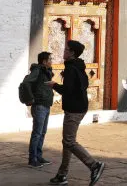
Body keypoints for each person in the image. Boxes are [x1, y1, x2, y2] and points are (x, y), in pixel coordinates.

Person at [45, 40, 105, 186]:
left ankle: (94, 165)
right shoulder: (77, 66)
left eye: (66, 49)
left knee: (69, 141)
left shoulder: (72, 69)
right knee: (67, 142)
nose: (63, 51)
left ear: (72, 53)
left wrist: (54, 85)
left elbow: (68, 90)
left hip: (74, 109)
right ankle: (62, 174)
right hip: (78, 107)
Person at [21, 51, 54, 168]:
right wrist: (30, 98)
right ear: (44, 61)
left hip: (46, 105)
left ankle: (39, 156)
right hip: (39, 105)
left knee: (42, 132)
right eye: (50, 59)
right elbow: (26, 83)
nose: (52, 61)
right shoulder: (38, 70)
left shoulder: (47, 72)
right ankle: (32, 159)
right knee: (37, 133)